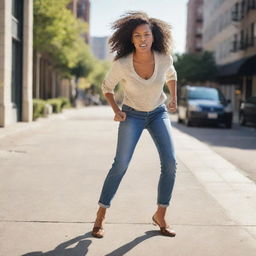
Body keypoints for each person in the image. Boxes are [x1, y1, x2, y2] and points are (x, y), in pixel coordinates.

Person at [92, 11, 178, 238]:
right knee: (120, 164)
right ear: (131, 39)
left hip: (158, 113)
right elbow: (106, 87)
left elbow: (172, 75)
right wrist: (116, 110)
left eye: (146, 35)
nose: (142, 39)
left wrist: (173, 97)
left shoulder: (164, 58)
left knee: (170, 162)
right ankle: (100, 216)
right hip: (132, 115)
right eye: (137, 35)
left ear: (153, 36)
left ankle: (160, 214)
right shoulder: (122, 64)